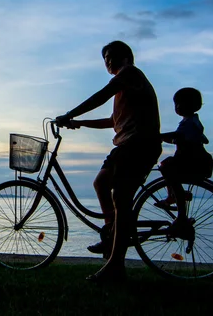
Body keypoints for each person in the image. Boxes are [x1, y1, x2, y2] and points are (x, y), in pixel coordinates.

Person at [56, 40, 161, 283]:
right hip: (125, 145)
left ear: (127, 57)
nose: (108, 61)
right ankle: (111, 236)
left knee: (121, 199)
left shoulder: (129, 74)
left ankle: (116, 265)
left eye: (112, 56)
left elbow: (101, 96)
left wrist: (71, 114)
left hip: (139, 144)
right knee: (101, 184)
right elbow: (112, 120)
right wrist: (81, 123)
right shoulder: (126, 87)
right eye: (105, 58)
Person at [156, 88, 213, 210]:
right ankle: (175, 195)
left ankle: (177, 196)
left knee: (166, 166)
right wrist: (162, 138)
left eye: (180, 103)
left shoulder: (190, 123)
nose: (177, 107)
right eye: (175, 104)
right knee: (167, 167)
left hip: (191, 161)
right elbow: (177, 139)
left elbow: (178, 136)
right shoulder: (190, 122)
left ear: (193, 105)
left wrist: (158, 136)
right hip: (192, 160)